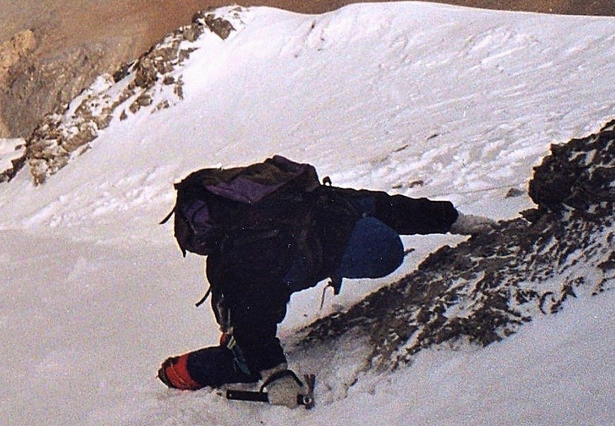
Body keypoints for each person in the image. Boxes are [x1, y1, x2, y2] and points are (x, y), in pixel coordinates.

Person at [156, 156, 496, 407]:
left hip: (268, 277)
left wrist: (452, 220)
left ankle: (235, 335)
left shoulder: (325, 210)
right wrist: (274, 373)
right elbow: (251, 311)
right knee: (246, 358)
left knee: (254, 317)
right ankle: (179, 371)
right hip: (251, 284)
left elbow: (384, 207)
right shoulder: (261, 252)